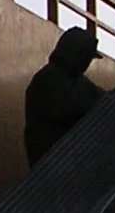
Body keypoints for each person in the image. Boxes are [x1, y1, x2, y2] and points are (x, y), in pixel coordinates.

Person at [24, 26, 105, 166]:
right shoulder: (46, 80)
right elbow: (70, 108)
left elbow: (104, 100)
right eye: (86, 57)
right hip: (51, 166)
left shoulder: (80, 82)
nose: (87, 64)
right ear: (76, 54)